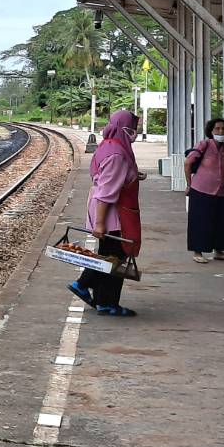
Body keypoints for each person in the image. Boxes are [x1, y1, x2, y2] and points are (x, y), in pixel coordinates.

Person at [69, 109, 141, 316]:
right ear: (125, 128)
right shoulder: (117, 154)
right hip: (112, 212)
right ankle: (83, 284)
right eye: (133, 127)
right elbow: (107, 191)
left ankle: (104, 302)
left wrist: (133, 175)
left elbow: (104, 176)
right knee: (115, 257)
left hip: (108, 208)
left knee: (109, 253)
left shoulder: (108, 145)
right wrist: (100, 223)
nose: (135, 131)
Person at [184, 118, 224, 264]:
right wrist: (189, 184)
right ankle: (197, 252)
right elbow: (188, 163)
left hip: (221, 191)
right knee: (199, 221)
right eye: (217, 128)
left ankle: (219, 251)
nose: (221, 131)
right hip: (201, 189)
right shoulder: (204, 145)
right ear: (211, 131)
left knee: (220, 222)